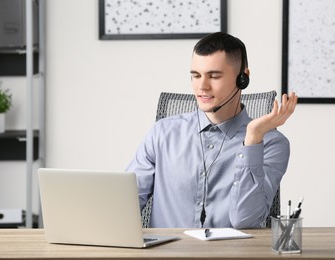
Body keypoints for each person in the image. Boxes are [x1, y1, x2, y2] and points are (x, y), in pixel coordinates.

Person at [126, 32, 298, 229]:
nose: (202, 86)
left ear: (243, 78)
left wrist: (252, 140)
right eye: (196, 76)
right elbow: (123, 206)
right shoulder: (162, 133)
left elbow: (246, 220)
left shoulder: (271, 143)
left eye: (214, 76)